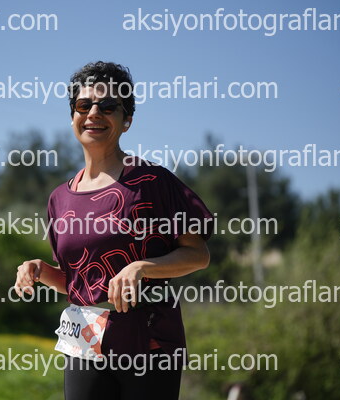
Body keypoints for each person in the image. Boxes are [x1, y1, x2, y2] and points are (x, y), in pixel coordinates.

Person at [15, 61, 213, 400]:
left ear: (127, 120)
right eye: (84, 105)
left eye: (108, 106)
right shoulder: (59, 199)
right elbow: (80, 283)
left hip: (149, 341)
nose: (94, 113)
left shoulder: (152, 181)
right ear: (73, 116)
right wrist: (40, 271)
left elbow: (199, 255)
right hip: (86, 339)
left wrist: (141, 267)